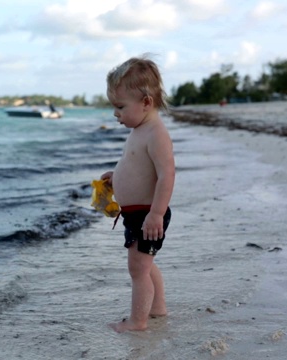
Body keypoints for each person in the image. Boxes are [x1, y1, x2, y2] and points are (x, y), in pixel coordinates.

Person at [100, 56, 175, 333]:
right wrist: (115, 177)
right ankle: (157, 308)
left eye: (120, 107)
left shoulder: (156, 133)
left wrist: (156, 214)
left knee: (138, 268)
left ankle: (138, 322)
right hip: (136, 214)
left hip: (147, 214)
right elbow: (136, 166)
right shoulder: (140, 130)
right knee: (146, 262)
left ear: (146, 102)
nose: (115, 114)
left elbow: (167, 175)